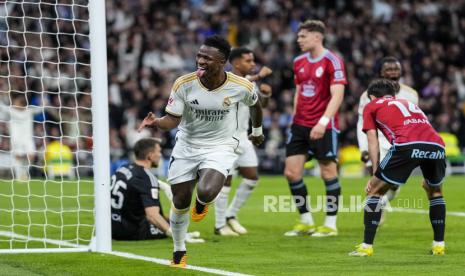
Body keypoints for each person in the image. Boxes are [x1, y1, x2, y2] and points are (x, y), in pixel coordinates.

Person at [138, 35, 264, 268]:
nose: (201, 60)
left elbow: (256, 105)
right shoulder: (184, 83)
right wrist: (156, 122)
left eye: (207, 57)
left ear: (223, 61)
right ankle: (179, 251)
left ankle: (203, 203)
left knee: (206, 191)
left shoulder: (241, 86)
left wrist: (257, 131)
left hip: (221, 145)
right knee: (180, 200)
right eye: (199, 55)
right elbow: (173, 120)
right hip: (187, 145)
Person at [349, 79, 446, 257]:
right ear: (393, 95)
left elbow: (372, 140)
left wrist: (375, 173)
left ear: (371, 96)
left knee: (374, 192)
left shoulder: (371, 106)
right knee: (435, 192)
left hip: (406, 145)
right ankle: (439, 245)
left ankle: (366, 247)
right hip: (436, 145)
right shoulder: (408, 103)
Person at [284, 20, 347, 237]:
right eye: (299, 36)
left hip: (324, 125)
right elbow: (299, 90)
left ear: (317, 37)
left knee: (327, 171)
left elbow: (338, 94)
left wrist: (322, 122)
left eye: (303, 36)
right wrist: (294, 118)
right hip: (300, 125)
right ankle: (306, 221)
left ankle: (330, 224)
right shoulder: (298, 61)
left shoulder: (333, 61)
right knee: (291, 173)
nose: (299, 40)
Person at [214, 47, 273, 236]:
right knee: (226, 182)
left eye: (253, 60)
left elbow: (258, 105)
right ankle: (219, 225)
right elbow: (237, 87)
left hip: (243, 136)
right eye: (249, 60)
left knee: (252, 177)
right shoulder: (224, 79)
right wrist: (257, 77)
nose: (253, 64)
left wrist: (265, 95)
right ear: (236, 63)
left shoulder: (248, 83)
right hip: (225, 139)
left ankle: (231, 215)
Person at [357, 56, 419, 223]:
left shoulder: (411, 94)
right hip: (377, 141)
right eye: (389, 69)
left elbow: (414, 121)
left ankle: (382, 202)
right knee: (376, 179)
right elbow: (362, 122)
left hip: (399, 143)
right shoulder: (368, 95)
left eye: (396, 69)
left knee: (393, 185)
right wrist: (364, 148)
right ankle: (372, 222)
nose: (393, 72)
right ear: (381, 73)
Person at [111, 138, 204, 242]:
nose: (160, 155)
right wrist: (178, 237)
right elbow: (152, 216)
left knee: (170, 220)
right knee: (177, 222)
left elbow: (136, 183)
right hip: (132, 231)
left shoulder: (124, 168)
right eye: (158, 152)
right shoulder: (146, 177)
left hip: (111, 227)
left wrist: (163, 186)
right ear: (150, 156)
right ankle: (182, 235)